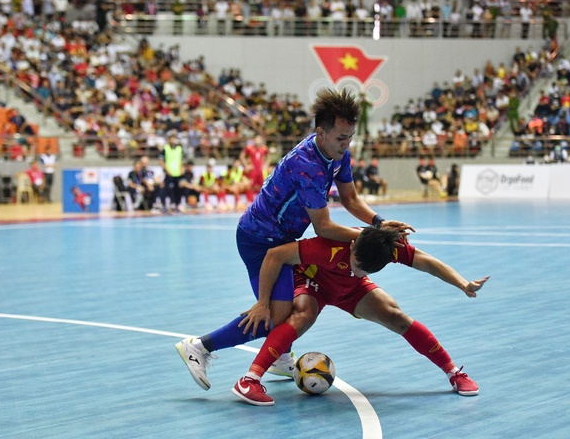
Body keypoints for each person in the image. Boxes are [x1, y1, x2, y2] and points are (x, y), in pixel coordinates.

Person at [175, 88, 412, 391]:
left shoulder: (338, 153)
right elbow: (324, 227)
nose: (347, 143)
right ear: (320, 133)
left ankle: (280, 357)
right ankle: (200, 346)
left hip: (280, 238)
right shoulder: (308, 166)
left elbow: (350, 199)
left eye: (350, 136)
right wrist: (374, 237)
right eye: (341, 137)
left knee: (282, 313)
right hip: (259, 239)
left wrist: (379, 222)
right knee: (275, 316)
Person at [231, 226, 489, 405]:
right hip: (313, 280)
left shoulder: (387, 249)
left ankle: (454, 373)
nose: (358, 270)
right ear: (352, 244)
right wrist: (263, 302)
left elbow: (427, 262)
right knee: (303, 315)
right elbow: (276, 255)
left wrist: (463, 284)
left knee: (396, 316)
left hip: (350, 290)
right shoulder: (327, 246)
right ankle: (249, 379)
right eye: (357, 264)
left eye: (365, 270)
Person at [159, 135, 183, 212]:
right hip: (169, 173)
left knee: (177, 190)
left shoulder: (179, 149)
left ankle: (177, 205)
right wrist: (166, 170)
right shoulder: (166, 148)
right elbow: (161, 160)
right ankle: (164, 205)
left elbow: (181, 160)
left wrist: (182, 169)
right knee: (166, 189)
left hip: (177, 173)